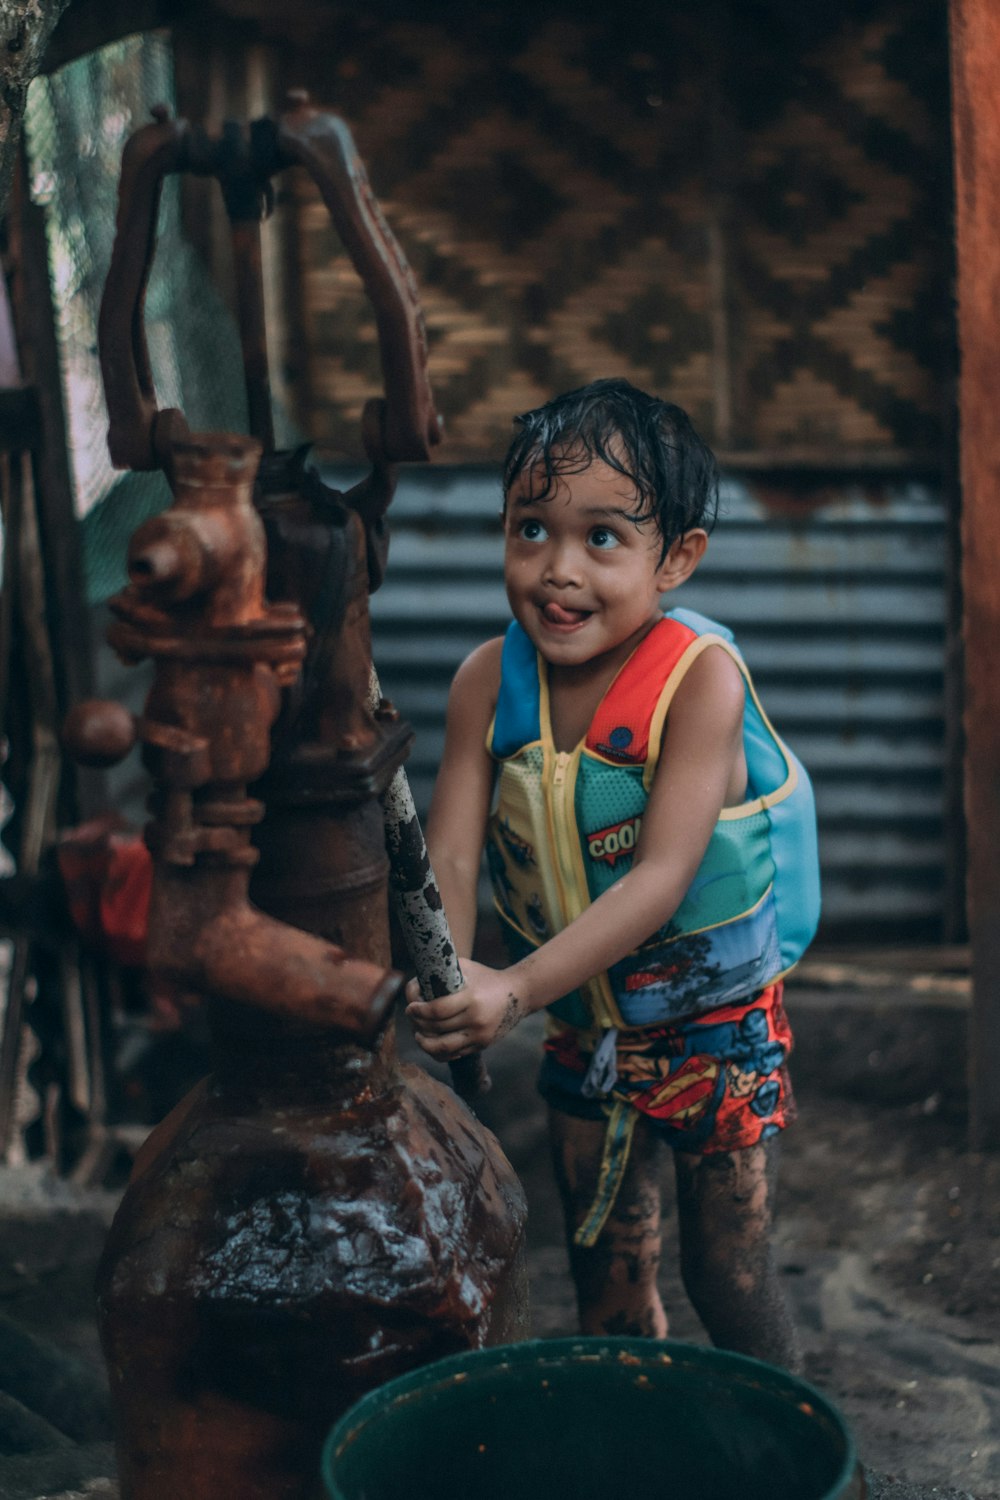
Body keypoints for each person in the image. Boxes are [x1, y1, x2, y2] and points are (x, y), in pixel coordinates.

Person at [406, 377, 820, 1370]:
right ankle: (643, 1456)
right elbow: (451, 853)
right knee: (604, 1264)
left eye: (602, 538)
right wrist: (453, 978)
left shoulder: (698, 680)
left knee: (725, 1270)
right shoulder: (483, 683)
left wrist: (509, 988)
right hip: (581, 1022)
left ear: (676, 557)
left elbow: (662, 878)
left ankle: (797, 1457)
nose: (557, 571)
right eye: (530, 528)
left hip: (710, 1026)